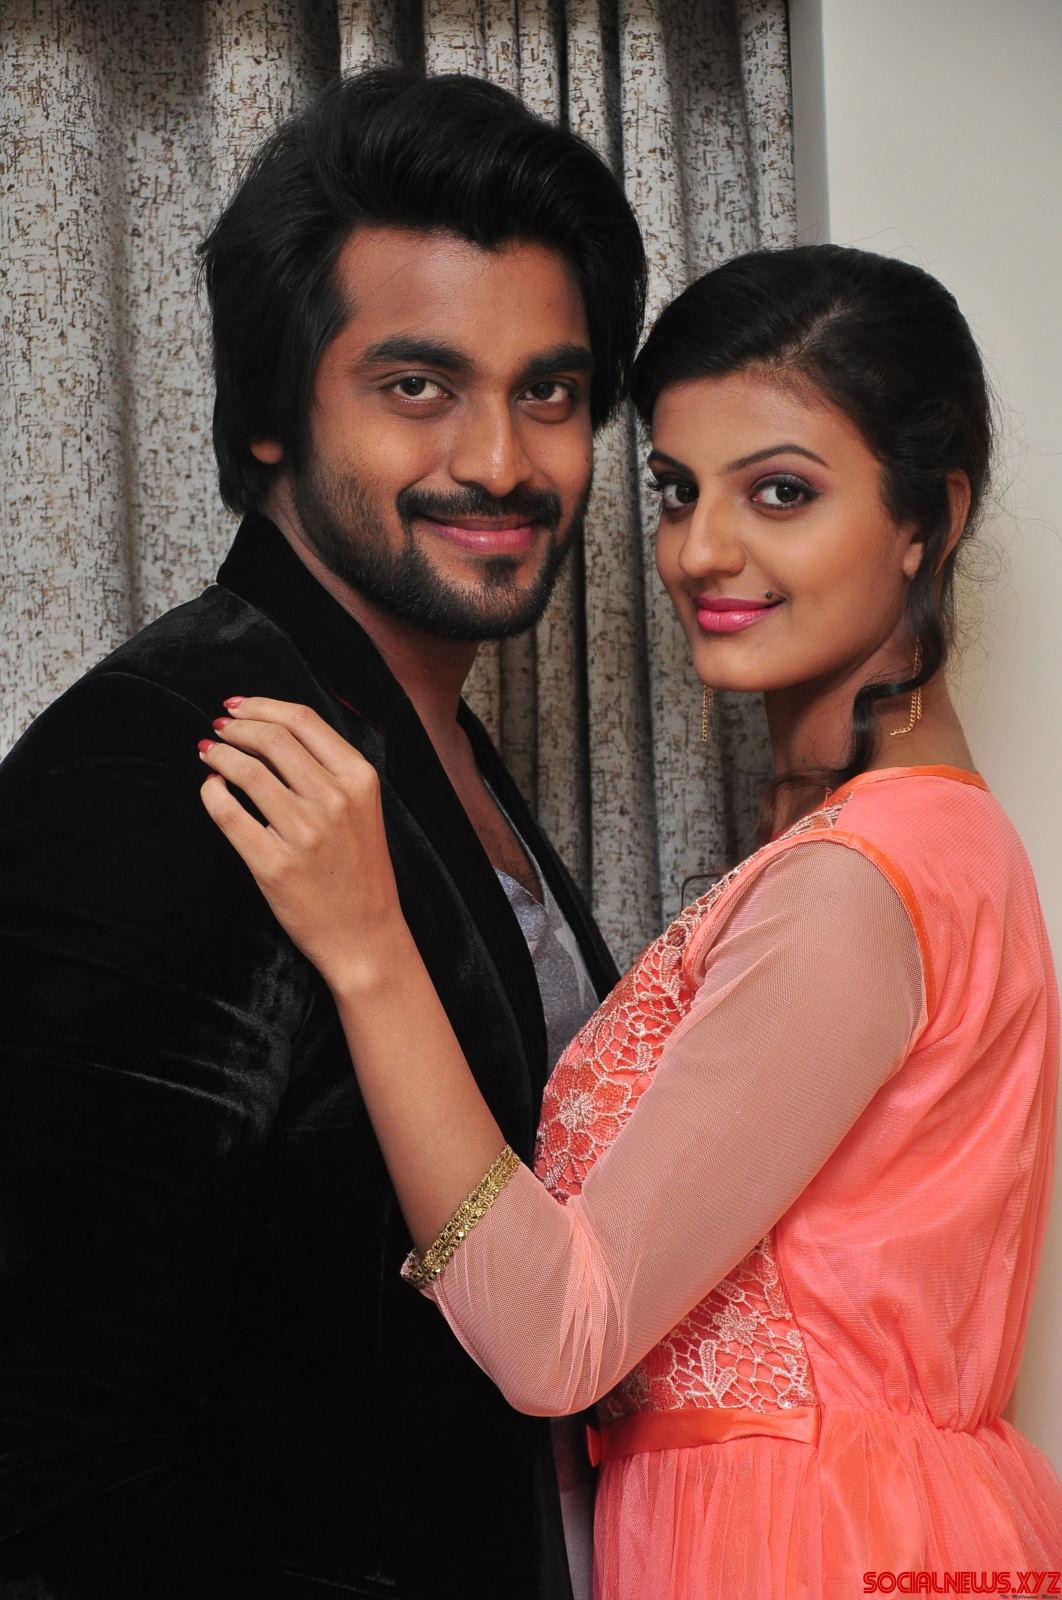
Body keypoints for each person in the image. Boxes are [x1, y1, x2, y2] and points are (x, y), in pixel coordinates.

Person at [198, 245, 1062, 1595]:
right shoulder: (920, 841)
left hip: (804, 1549)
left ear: (927, 520)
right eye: (676, 489)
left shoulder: (854, 882)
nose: (701, 551)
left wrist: (369, 949)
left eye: (780, 492)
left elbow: (561, 1338)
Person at [0, 69, 647, 1599]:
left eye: (548, 392)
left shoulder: (433, 746)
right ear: (270, 418)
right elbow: (43, 1459)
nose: (499, 460)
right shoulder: (171, 758)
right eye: (417, 386)